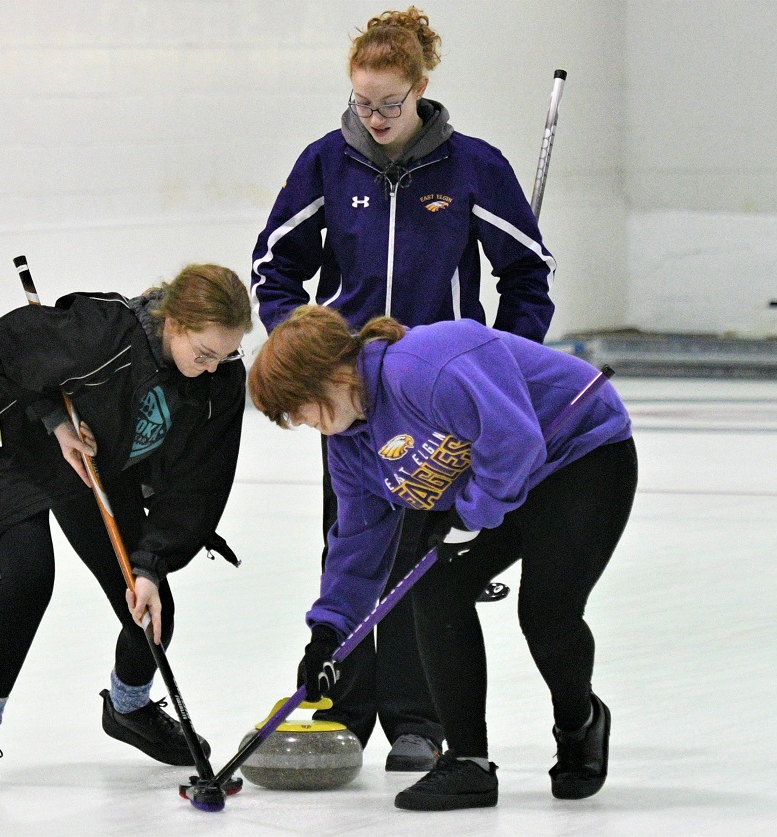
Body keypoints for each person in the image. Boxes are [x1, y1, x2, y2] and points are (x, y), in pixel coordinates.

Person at [250, 5, 556, 771]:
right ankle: (342, 700)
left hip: (437, 397)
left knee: (422, 554)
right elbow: (274, 264)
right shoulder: (327, 162)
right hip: (346, 394)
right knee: (352, 540)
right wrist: (303, 343)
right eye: (362, 102)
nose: (375, 117)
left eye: (389, 102)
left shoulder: (472, 168)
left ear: (421, 87)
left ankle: (417, 719)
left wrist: (504, 362)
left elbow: (527, 273)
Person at [247, 305, 636, 810]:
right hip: (495, 488)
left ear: (334, 374)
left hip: (578, 457)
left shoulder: (426, 368)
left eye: (297, 406)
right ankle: (468, 764)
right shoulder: (348, 445)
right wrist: (328, 633)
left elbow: (515, 442)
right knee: (433, 590)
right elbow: (358, 544)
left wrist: (469, 516)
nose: (299, 421)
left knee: (545, 612)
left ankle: (579, 721)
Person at [0, 263, 252, 789]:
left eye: (226, 355)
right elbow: (13, 341)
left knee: (149, 605)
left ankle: (129, 709)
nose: (211, 368)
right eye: (203, 354)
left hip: (89, 470)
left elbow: (199, 486)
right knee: (28, 580)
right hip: (15, 446)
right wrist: (55, 419)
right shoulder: (106, 330)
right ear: (174, 322)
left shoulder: (219, 383)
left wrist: (154, 565)